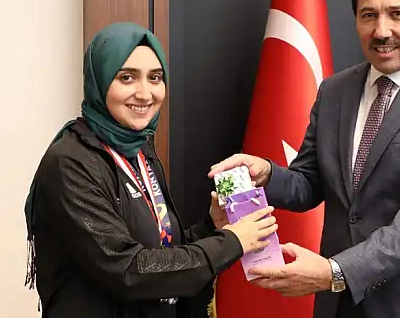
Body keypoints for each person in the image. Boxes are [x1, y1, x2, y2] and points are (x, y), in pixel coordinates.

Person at [209, 0, 400, 318]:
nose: (381, 31)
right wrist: (266, 173)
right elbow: (309, 182)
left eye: (397, 14)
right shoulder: (334, 91)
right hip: (342, 303)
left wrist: (335, 272)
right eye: (368, 15)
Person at [23, 22, 278, 318]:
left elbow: (161, 254)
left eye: (155, 78)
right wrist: (230, 242)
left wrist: (212, 227)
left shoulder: (139, 148)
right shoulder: (70, 163)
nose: (145, 94)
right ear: (99, 80)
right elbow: (128, 269)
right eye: (127, 77)